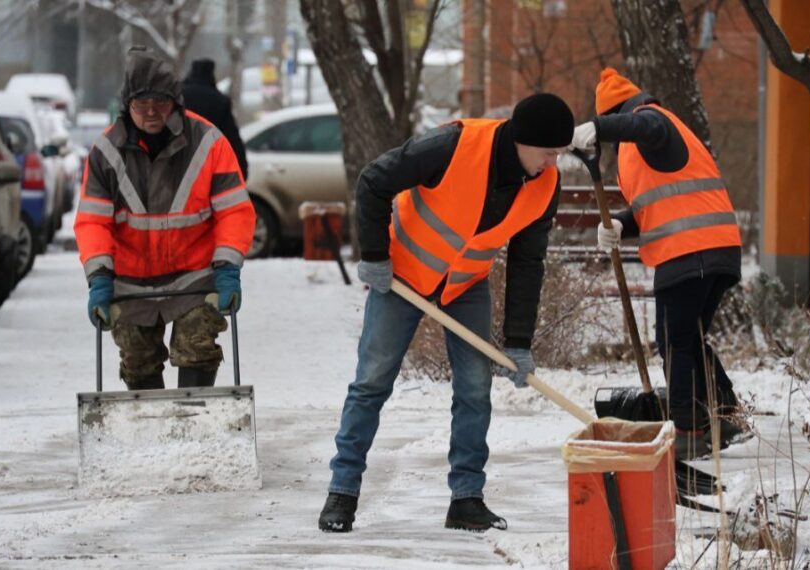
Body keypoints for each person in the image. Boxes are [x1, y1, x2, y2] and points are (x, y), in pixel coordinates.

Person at [318, 93, 575, 533]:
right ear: (522, 140)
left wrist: (517, 343)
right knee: (372, 382)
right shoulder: (454, 145)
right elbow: (374, 179)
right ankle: (342, 492)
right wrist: (376, 255)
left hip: (465, 285)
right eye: (548, 151)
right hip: (401, 277)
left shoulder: (544, 185)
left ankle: (466, 499)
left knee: (475, 389)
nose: (552, 162)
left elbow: (527, 263)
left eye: (559, 154)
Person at [571, 68, 747, 456]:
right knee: (688, 337)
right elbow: (655, 203)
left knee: (674, 340)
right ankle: (727, 415)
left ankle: (686, 433)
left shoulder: (653, 121)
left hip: (691, 248)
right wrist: (620, 223)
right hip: (711, 247)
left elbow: (645, 125)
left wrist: (599, 127)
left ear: (619, 114)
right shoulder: (639, 150)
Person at [74, 46, 256, 390]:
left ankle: (192, 422)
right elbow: (94, 222)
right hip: (131, 281)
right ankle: (151, 431)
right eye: (142, 105)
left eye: (161, 103)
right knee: (137, 358)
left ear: (176, 102)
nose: (152, 112)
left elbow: (234, 211)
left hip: (194, 277)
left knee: (197, 348)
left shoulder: (208, 143)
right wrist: (99, 278)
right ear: (127, 106)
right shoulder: (105, 153)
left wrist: (228, 268)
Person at [181, 58, 249, 181]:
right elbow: (232, 138)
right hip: (210, 165)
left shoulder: (179, 96)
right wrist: (241, 171)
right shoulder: (220, 101)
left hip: (180, 162)